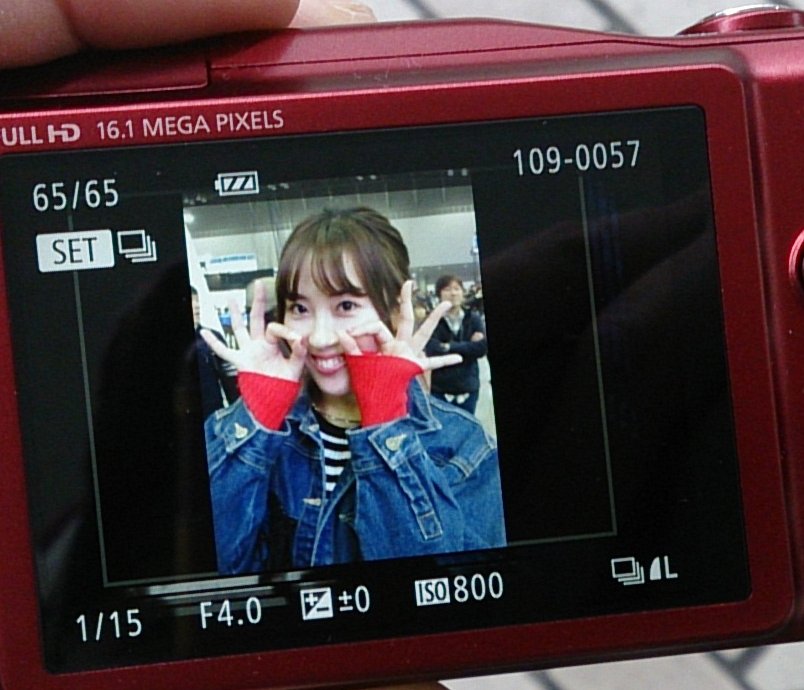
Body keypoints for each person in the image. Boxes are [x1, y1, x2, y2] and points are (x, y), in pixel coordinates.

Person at [202, 208, 505, 573]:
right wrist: (257, 417)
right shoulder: (247, 433)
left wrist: (385, 423)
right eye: (300, 308)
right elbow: (216, 571)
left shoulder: (464, 444)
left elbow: (440, 588)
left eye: (346, 305)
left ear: (395, 310)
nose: (320, 338)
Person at [425, 275, 487, 414]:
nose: (453, 293)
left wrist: (449, 346)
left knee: (468, 425)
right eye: (447, 289)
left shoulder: (473, 318)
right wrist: (468, 346)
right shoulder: (432, 320)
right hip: (440, 389)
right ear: (439, 294)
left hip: (468, 386)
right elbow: (432, 349)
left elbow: (482, 348)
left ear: (463, 292)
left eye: (457, 289)